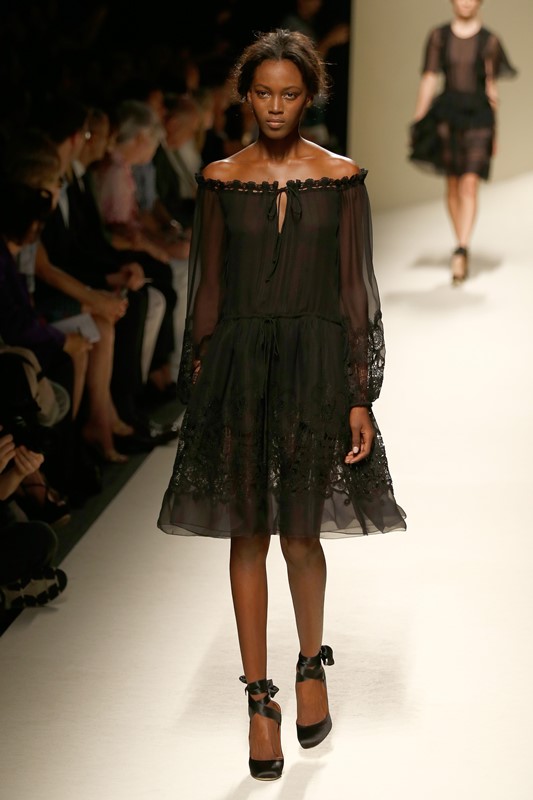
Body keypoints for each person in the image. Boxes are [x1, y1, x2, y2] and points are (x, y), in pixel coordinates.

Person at [157, 29, 406, 781]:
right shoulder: (220, 179)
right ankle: (258, 700)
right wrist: (198, 383)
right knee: (247, 534)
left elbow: (355, 291)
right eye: (263, 93)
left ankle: (309, 664)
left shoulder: (341, 178)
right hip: (237, 367)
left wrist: (359, 394)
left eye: (289, 94)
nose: (274, 106)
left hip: (313, 368)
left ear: (309, 96)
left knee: (299, 532)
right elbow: (207, 290)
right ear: (245, 95)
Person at [408, 0, 517, 285]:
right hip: (448, 117)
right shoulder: (439, 36)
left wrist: (496, 131)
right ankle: (461, 242)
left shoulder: (489, 41)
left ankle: (461, 248)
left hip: (479, 118)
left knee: (469, 183)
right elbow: (429, 78)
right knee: (453, 184)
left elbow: (491, 86)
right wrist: (418, 120)